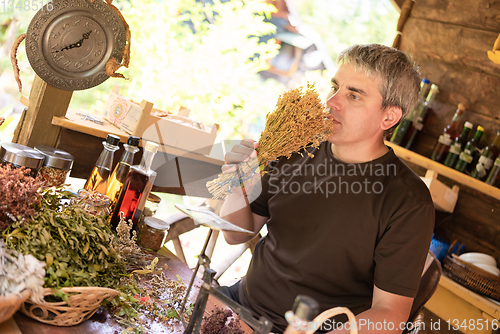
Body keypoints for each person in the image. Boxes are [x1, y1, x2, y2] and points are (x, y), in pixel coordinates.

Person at [218, 44, 435, 334]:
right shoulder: (296, 148)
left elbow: (390, 315)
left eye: (354, 95)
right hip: (238, 305)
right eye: (335, 87)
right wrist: (236, 182)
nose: (332, 101)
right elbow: (235, 234)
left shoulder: (408, 202)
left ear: (389, 117)